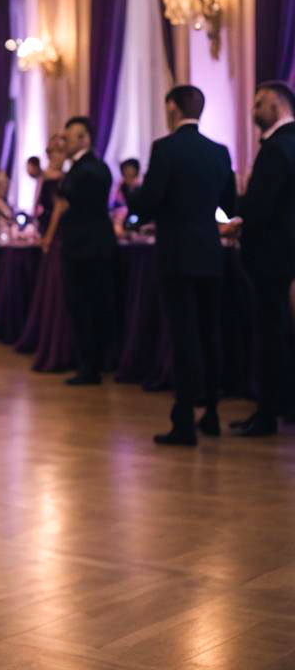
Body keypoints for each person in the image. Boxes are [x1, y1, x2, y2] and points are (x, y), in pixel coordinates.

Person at [132, 86, 237, 446]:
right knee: (210, 333)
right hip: (210, 252)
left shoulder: (165, 149)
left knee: (183, 337)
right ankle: (212, 413)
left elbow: (148, 203)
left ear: (173, 107)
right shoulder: (219, 152)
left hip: (175, 254)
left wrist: (139, 209)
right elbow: (229, 201)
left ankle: (184, 422)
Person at [228, 81, 295, 437]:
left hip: (270, 258)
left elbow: (261, 207)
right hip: (288, 253)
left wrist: (239, 214)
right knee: (284, 332)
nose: (254, 110)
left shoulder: (275, 149)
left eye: (259, 103)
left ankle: (267, 413)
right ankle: (284, 405)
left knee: (270, 333)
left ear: (279, 106)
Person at [51, 117, 116, 385]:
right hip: (86, 247)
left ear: (84, 138)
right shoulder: (86, 167)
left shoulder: (90, 168)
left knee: (85, 307)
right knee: (86, 307)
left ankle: (91, 366)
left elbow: (69, 194)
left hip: (86, 249)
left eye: (70, 137)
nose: (64, 142)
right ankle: (90, 363)